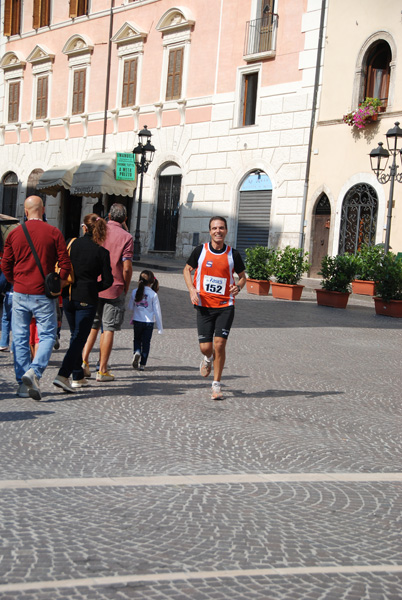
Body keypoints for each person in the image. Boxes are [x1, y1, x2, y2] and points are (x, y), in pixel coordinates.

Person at [1, 196, 70, 400]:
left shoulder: (15, 234)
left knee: (20, 338)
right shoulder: (53, 232)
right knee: (47, 335)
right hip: (43, 294)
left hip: (20, 292)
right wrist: (59, 285)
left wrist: (14, 281)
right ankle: (34, 372)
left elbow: (5, 264)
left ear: (25, 210)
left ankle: (22, 382)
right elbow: (65, 264)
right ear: (43, 210)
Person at [183, 216, 246, 400]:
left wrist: (238, 287)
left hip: (225, 305)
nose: (218, 231)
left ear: (226, 231)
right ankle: (207, 358)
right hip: (204, 305)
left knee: (219, 345)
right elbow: (187, 270)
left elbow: (243, 277)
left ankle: (216, 385)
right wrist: (191, 289)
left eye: (221, 228)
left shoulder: (232, 254)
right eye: (214, 228)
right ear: (210, 231)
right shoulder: (200, 251)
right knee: (206, 347)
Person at [53, 214, 113, 393]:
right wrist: (94, 288)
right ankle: (63, 375)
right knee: (79, 338)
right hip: (87, 298)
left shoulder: (72, 243)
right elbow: (108, 281)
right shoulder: (102, 252)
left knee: (75, 335)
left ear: (84, 228)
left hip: (68, 296)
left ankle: (78, 375)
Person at [82, 203, 133, 382]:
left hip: (94, 284)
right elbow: (126, 267)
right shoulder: (126, 237)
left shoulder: (99, 230)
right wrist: (126, 286)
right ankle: (102, 369)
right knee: (108, 328)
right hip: (114, 287)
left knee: (93, 325)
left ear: (109, 216)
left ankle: (84, 361)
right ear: (125, 219)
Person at [128, 270, 163, 371]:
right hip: (149, 323)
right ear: (152, 281)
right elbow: (157, 312)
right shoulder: (154, 294)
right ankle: (143, 364)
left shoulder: (135, 292)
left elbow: (130, 307)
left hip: (137, 320)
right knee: (146, 343)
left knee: (137, 339)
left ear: (140, 280)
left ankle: (137, 351)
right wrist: (160, 328)